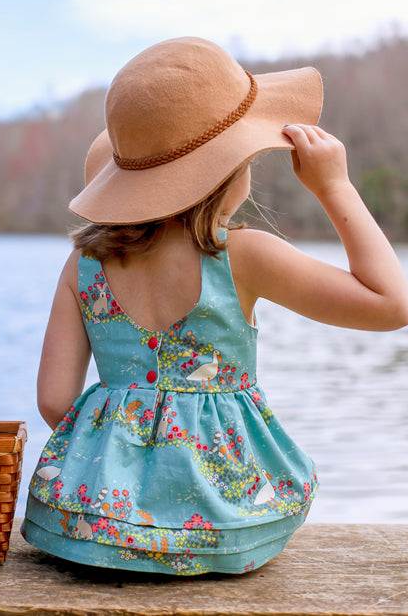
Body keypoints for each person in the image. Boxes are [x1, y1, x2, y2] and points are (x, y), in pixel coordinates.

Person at [21, 36, 408, 575]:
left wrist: (129, 431)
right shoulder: (242, 255)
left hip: (94, 529)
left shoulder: (84, 265)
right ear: (231, 171)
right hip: (227, 525)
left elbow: (55, 402)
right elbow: (392, 304)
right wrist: (335, 186)